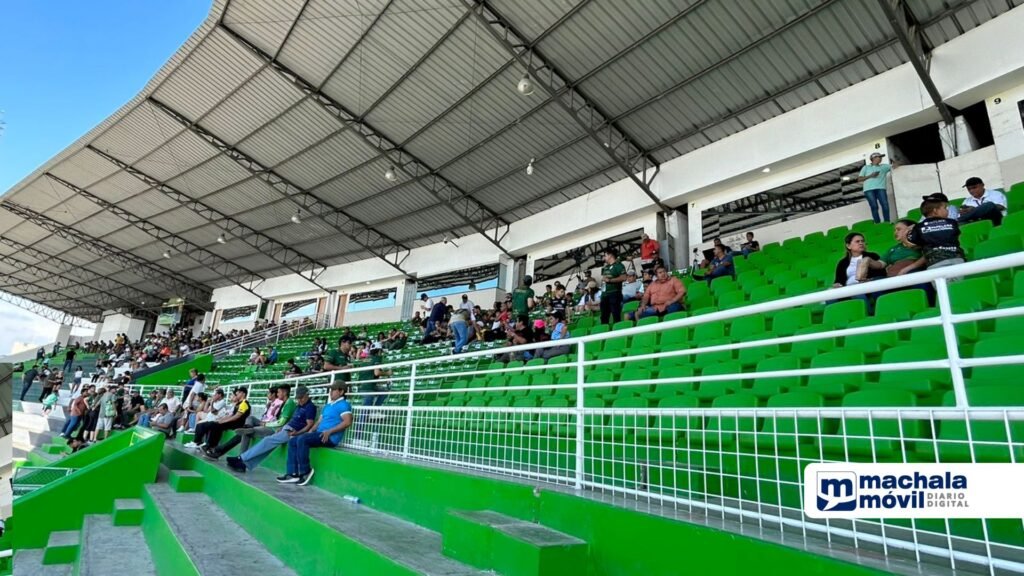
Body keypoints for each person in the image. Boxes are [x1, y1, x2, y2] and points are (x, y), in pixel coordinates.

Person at [227, 385, 317, 473]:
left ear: (307, 395)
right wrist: (282, 427)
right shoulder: (299, 406)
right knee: (268, 446)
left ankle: (241, 458)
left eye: (301, 398)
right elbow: (292, 420)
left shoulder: (310, 407)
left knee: (268, 440)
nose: (300, 400)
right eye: (298, 398)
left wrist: (296, 433)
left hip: (292, 431)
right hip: (286, 428)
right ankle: (244, 464)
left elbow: (309, 425)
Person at [276, 383, 353, 486]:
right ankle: (293, 474)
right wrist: (310, 431)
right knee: (293, 440)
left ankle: (305, 472)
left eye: (333, 390)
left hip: (330, 437)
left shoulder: (344, 405)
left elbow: (347, 422)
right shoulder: (328, 406)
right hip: (319, 434)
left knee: (302, 439)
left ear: (341, 391)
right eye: (330, 390)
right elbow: (318, 422)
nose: (330, 392)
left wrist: (330, 431)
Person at [204, 385, 294, 460]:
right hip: (266, 423)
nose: (278, 394)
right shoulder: (280, 403)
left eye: (279, 392)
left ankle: (233, 455)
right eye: (277, 392)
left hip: (272, 427)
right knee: (250, 419)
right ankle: (247, 428)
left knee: (244, 433)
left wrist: (265, 424)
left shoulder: (287, 403)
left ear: (284, 392)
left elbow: (281, 421)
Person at [908, 197, 966, 274]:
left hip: (934, 261)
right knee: (958, 281)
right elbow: (955, 235)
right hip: (956, 258)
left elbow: (912, 241)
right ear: (935, 211)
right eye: (945, 208)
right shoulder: (952, 222)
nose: (947, 210)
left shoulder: (919, 227)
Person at [856, 152, 893, 223]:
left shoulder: (884, 167)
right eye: (879, 157)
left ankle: (887, 222)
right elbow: (859, 179)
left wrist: (895, 160)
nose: (881, 158)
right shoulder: (866, 167)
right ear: (873, 158)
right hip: (868, 189)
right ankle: (877, 223)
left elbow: (895, 166)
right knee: (874, 206)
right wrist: (871, 175)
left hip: (881, 188)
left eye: (881, 157)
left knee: (885, 205)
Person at [599, 249, 627, 325]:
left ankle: (618, 330)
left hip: (614, 293)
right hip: (604, 294)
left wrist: (610, 280)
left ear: (610, 255)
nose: (604, 257)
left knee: (616, 314)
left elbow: (624, 277)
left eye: (605, 255)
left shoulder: (619, 265)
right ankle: (604, 331)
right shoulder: (606, 267)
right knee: (604, 316)